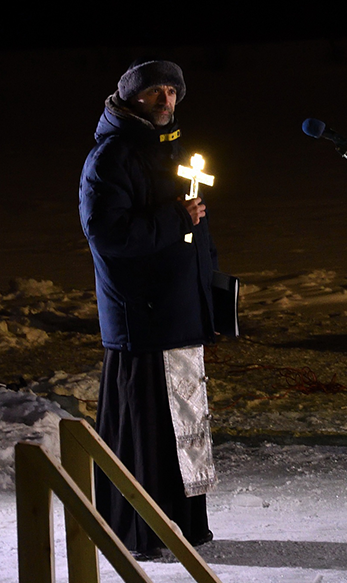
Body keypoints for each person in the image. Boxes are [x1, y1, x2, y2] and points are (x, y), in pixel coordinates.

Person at [79, 58, 218, 559]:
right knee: (147, 427)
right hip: (143, 316)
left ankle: (181, 525)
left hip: (178, 312)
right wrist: (173, 218)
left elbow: (193, 230)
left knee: (180, 425)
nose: (166, 101)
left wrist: (209, 288)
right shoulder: (111, 157)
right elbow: (108, 234)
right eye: (155, 92)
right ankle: (141, 530)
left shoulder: (170, 149)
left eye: (173, 92)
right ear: (131, 98)